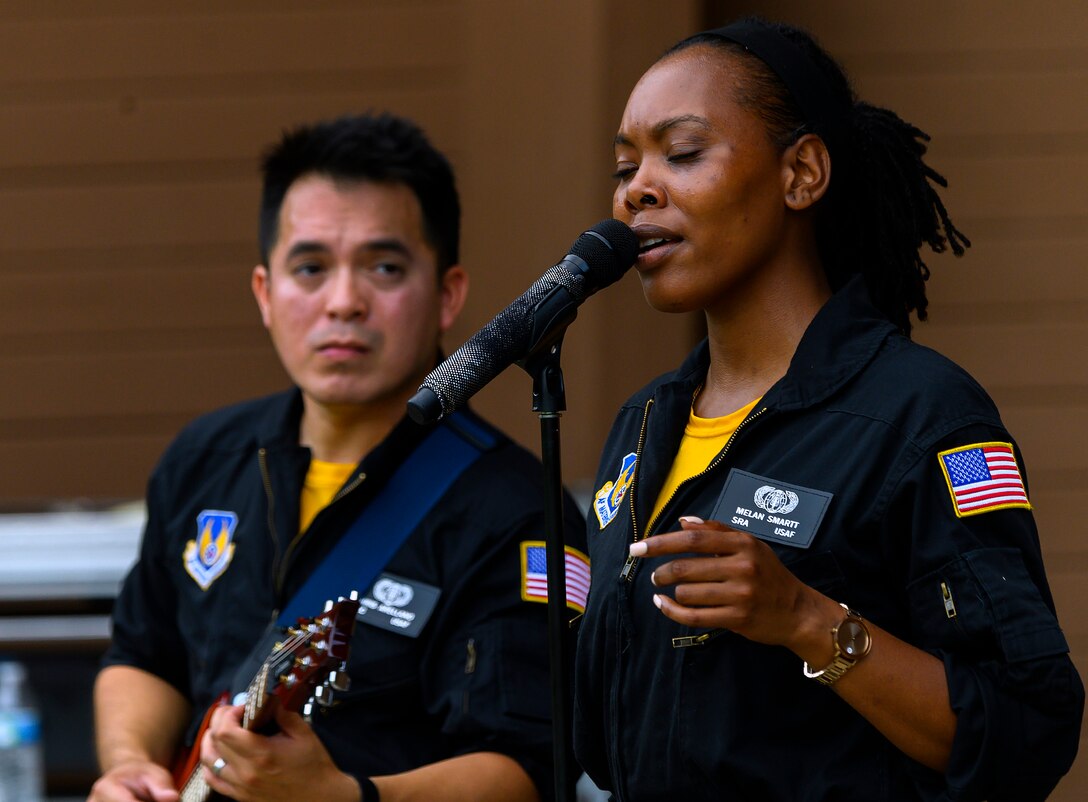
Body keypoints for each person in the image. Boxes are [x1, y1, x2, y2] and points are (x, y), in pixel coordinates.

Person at [573, 16, 1083, 802]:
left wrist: (806, 619)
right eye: (623, 165)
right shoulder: (641, 427)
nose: (635, 188)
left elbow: (1026, 731)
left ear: (802, 173)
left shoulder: (921, 415)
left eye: (680, 153)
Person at [88, 112, 588, 802]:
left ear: (448, 295)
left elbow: (528, 772)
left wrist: (345, 796)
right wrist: (129, 764)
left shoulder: (516, 511)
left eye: (384, 267)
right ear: (265, 293)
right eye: (311, 267)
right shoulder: (203, 458)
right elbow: (143, 657)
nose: (344, 302)